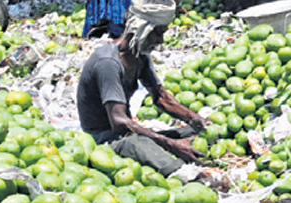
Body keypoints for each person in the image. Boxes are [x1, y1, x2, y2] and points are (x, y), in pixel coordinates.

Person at [76, 26, 208, 176]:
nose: (161, 40)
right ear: (139, 30)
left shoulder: (140, 55)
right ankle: (191, 176)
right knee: (139, 144)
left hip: (129, 131)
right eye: (157, 34)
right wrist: (170, 144)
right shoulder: (108, 62)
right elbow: (119, 122)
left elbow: (162, 98)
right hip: (106, 138)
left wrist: (195, 119)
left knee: (195, 132)